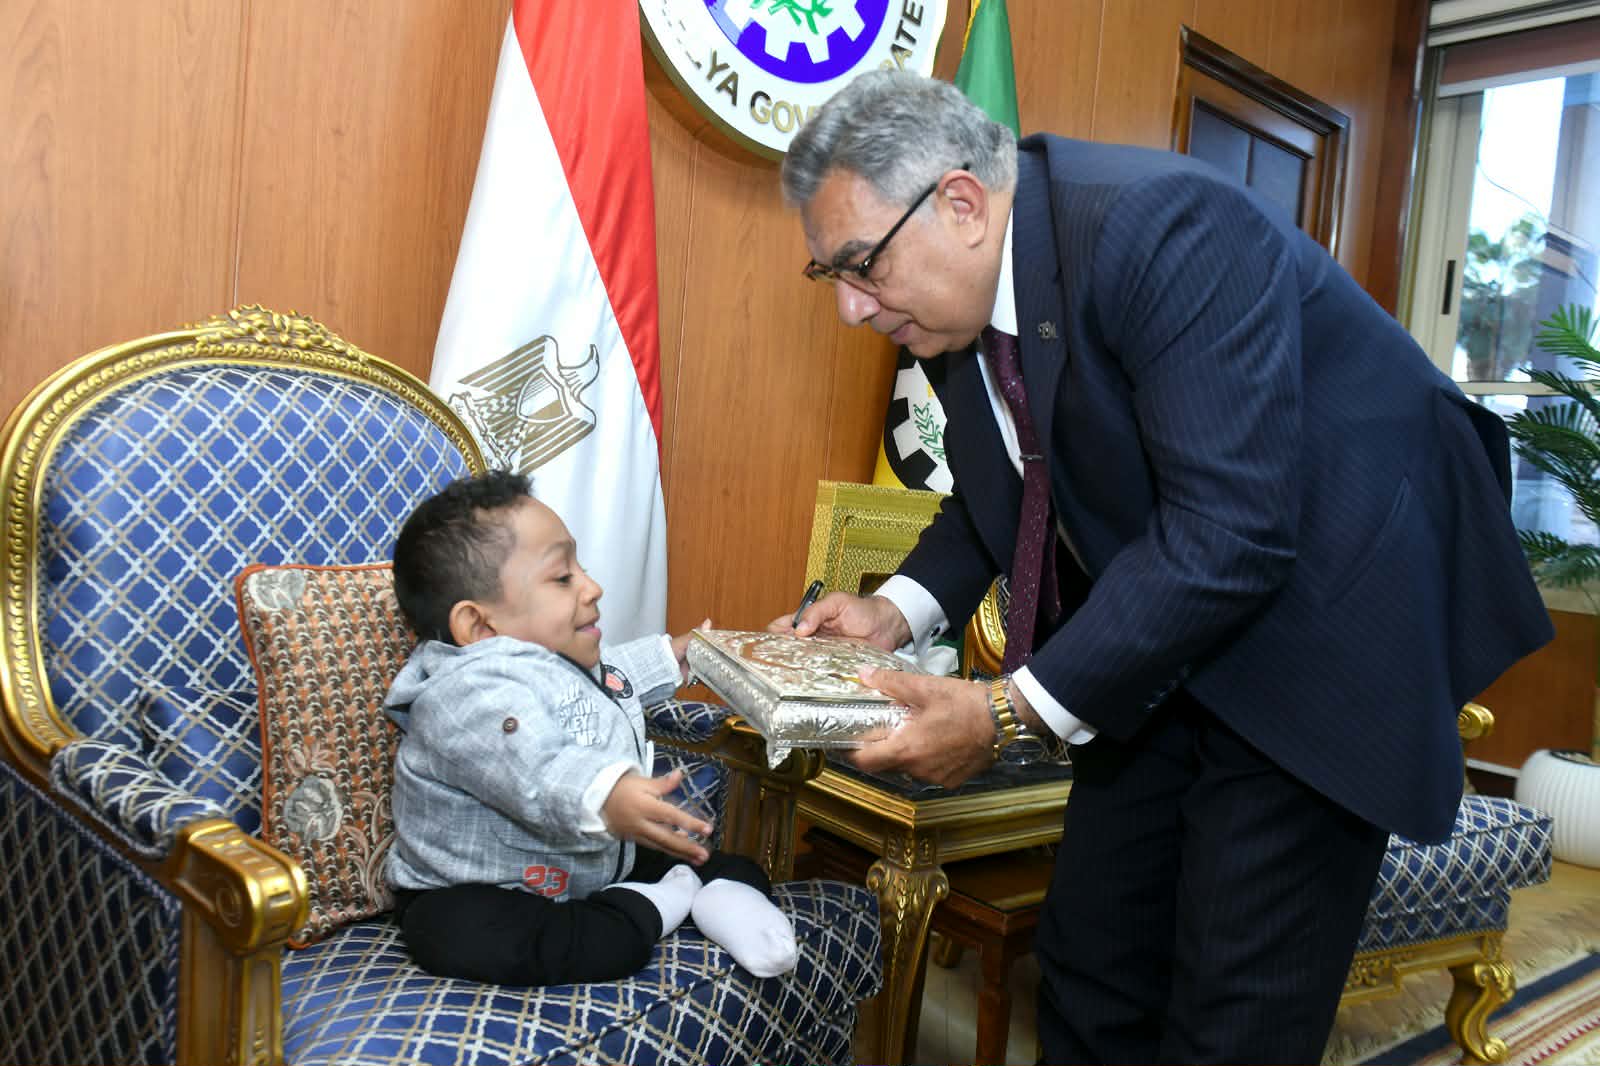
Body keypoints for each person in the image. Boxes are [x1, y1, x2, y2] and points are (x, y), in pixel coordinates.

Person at [774, 70, 1552, 1063]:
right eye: (830, 276)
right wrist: (894, 611)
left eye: (859, 265)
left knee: (1234, 1008)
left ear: (961, 204)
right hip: (1164, 626)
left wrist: (1004, 712)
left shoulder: (1162, 226)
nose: (850, 308)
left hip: (1320, 629)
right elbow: (1006, 482)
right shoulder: (947, 305)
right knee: (1091, 962)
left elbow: (1231, 531)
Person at [383, 470, 797, 986]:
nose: (592, 587)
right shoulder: (467, 693)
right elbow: (536, 764)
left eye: (580, 568)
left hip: (588, 862)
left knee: (722, 862)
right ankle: (649, 907)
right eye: (563, 577)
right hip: (476, 890)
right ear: (480, 626)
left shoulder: (554, 659)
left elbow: (611, 679)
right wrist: (608, 794)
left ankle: (722, 892)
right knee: (567, 943)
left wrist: (681, 656)